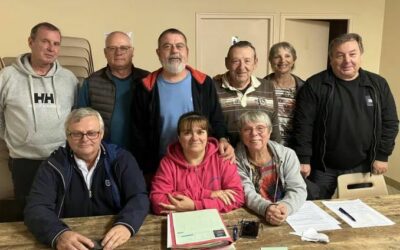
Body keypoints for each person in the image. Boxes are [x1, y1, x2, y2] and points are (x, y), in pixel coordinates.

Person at [24, 108, 149, 250]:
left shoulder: (121, 159)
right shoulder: (53, 165)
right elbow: (36, 207)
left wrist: (127, 225)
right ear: (68, 136)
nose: (85, 139)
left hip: (115, 239)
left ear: (101, 134)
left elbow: (139, 196)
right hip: (69, 240)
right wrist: (58, 234)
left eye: (91, 133)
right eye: (77, 134)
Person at [292, 33, 399, 199]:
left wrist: (382, 155)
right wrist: (303, 158)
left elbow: (390, 122)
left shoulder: (378, 84)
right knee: (315, 210)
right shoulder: (314, 85)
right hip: (322, 167)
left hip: (363, 165)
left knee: (362, 213)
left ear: (360, 55)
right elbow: (303, 125)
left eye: (352, 54)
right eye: (340, 55)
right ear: (331, 58)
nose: (347, 60)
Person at [132, 28, 234, 179]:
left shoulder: (204, 83)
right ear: (158, 52)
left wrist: (223, 139)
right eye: (167, 46)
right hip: (159, 167)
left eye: (179, 46)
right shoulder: (145, 87)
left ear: (187, 51)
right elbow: (138, 133)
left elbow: (216, 118)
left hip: (200, 165)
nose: (174, 51)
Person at [0, 22, 78, 213]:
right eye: (45, 41)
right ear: (30, 42)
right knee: (28, 213)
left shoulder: (69, 79)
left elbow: (76, 115)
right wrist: (9, 136)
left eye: (56, 43)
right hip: (24, 160)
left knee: (63, 210)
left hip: (62, 158)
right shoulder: (7, 77)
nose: (51, 48)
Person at [150, 112, 244, 215]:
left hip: (217, 221)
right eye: (187, 133)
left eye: (200, 132)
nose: (195, 138)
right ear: (179, 138)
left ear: (207, 136)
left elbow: (237, 197)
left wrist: (195, 206)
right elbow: (157, 201)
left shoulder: (222, 158)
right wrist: (209, 194)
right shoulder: (167, 163)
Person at [78, 31, 149, 150]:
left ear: (132, 52)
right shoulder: (91, 82)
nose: (118, 52)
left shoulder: (147, 80)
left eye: (124, 48)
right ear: (105, 53)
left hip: (140, 155)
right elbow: (80, 120)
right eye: (112, 48)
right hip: (103, 154)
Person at [235, 111, 306, 225]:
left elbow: (297, 189)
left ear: (269, 131)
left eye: (260, 128)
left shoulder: (287, 155)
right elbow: (246, 192)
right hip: (253, 216)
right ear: (241, 134)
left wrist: (285, 208)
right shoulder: (234, 160)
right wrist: (267, 208)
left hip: (287, 216)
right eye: (247, 129)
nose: (254, 133)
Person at [214, 41, 281, 146]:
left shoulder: (267, 87)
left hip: (260, 159)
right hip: (225, 158)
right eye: (236, 61)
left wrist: (277, 153)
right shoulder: (212, 88)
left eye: (247, 61)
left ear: (255, 63)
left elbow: (274, 127)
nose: (242, 67)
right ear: (227, 63)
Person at [264, 42, 304, 146]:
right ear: (270, 60)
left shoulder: (304, 88)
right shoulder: (260, 86)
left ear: (294, 59)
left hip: (294, 145)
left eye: (287, 56)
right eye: (277, 56)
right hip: (267, 144)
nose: (282, 60)